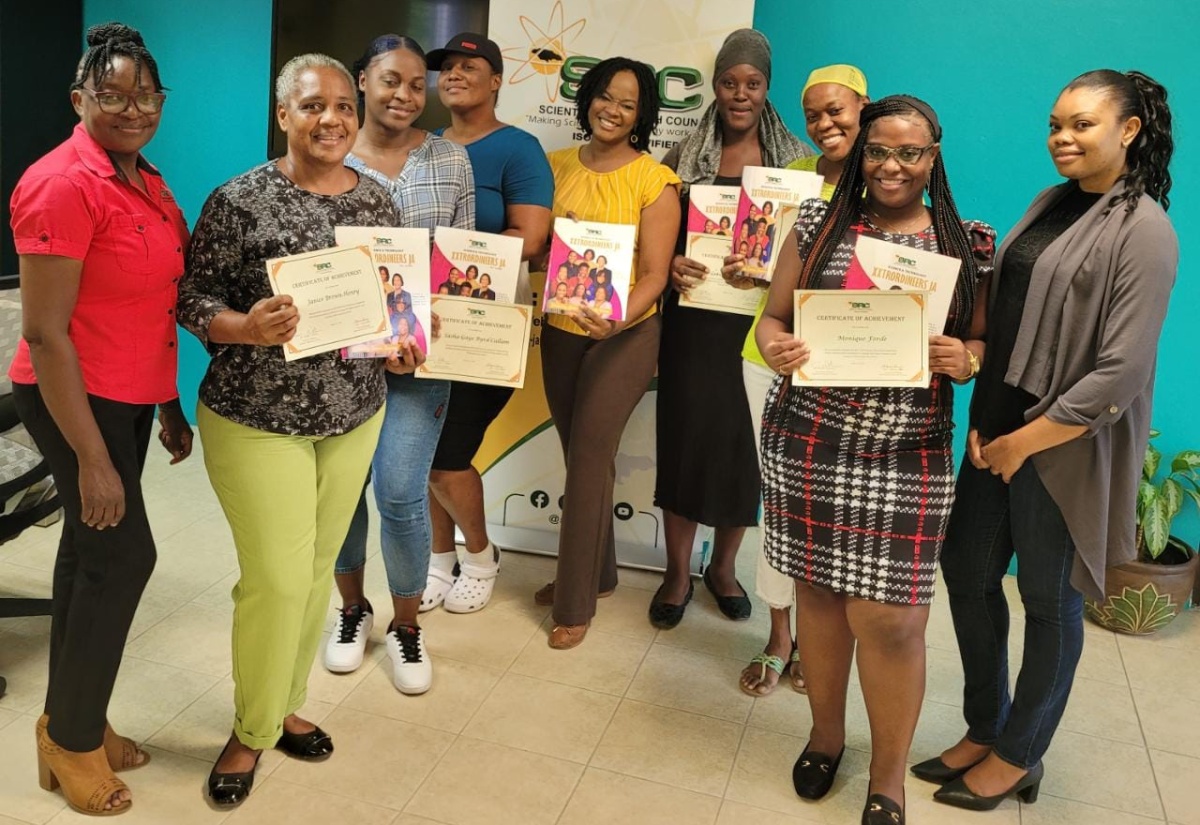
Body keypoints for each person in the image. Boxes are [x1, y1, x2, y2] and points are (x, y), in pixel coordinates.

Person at [919, 70, 1177, 812]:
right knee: (966, 574)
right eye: (1056, 123)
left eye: (1083, 124)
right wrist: (983, 421)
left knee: (1046, 601)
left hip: (1063, 449)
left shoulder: (1146, 231)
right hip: (996, 431)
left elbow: (1118, 374)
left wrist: (1023, 442)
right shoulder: (1053, 203)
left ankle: (1020, 753)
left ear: (1128, 131)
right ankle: (985, 723)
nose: (1062, 137)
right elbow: (1011, 313)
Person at [177, 53, 417, 808]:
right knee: (276, 579)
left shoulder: (379, 202)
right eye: (313, 106)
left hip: (353, 412)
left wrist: (405, 341)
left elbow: (391, 305)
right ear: (283, 115)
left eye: (344, 106)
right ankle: (249, 729)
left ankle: (282, 703)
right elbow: (190, 299)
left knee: (315, 571)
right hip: (257, 417)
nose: (332, 119)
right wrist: (243, 327)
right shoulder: (240, 200)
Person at [755, 95, 995, 825]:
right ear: (860, 152)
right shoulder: (816, 223)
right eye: (878, 150)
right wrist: (777, 347)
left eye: (910, 152)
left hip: (908, 448)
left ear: (933, 157)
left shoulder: (968, 243)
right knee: (822, 602)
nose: (892, 165)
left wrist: (967, 356)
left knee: (891, 621)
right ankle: (826, 735)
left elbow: (981, 346)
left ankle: (886, 774)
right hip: (811, 438)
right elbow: (771, 319)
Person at [12, 23, 191, 816]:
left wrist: (168, 404)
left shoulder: (143, 179)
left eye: (145, 94)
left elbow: (147, 302)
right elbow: (46, 334)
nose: (131, 106)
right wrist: (90, 457)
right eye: (112, 94)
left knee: (88, 558)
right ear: (78, 97)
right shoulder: (62, 182)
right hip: (72, 399)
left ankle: (69, 718)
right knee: (123, 559)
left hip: (125, 394)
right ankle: (74, 739)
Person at [322, 34, 475, 695]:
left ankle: (407, 626)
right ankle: (352, 610)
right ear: (363, 80)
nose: (405, 95)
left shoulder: (453, 160)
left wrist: (439, 315)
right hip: (339, 364)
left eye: (418, 85)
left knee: (401, 494)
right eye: (391, 81)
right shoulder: (327, 153)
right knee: (342, 496)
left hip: (419, 359)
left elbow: (464, 262)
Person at [653, 28, 811, 636]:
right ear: (714, 86)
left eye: (752, 83)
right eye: (728, 82)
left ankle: (722, 568)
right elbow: (657, 242)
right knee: (686, 441)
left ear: (767, 88)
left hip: (759, 329)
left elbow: (809, 248)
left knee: (747, 451)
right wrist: (670, 265)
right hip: (694, 322)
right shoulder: (683, 158)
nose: (740, 94)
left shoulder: (795, 163)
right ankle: (675, 572)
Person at [732, 64, 869, 699]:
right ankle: (779, 634)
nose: (825, 124)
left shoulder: (890, 183)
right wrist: (742, 271)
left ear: (865, 108)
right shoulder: (789, 185)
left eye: (837, 110)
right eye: (813, 114)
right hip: (771, 355)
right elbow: (770, 276)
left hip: (852, 370)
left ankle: (822, 639)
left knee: (832, 510)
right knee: (779, 499)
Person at [534, 56, 680, 649]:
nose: (613, 111)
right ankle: (601, 572)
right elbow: (539, 247)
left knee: (592, 457)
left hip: (629, 332)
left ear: (642, 115)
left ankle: (575, 603)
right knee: (580, 455)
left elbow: (656, 274)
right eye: (605, 97)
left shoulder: (654, 180)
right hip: (563, 327)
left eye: (628, 104)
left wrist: (616, 318)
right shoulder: (554, 166)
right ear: (588, 97)